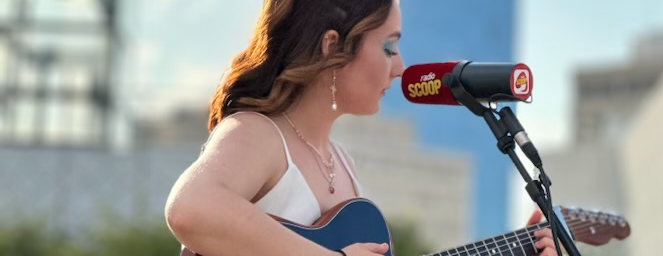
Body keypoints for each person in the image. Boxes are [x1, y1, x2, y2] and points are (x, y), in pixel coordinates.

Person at [164, 0, 561, 255]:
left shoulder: (341, 162)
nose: (400, 66)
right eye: (389, 46)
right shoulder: (258, 133)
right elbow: (190, 209)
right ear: (332, 46)